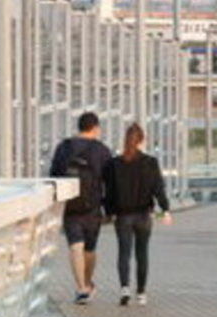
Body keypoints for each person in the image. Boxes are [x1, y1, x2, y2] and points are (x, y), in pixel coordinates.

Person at [102, 122, 173, 306]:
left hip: (122, 216)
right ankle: (141, 293)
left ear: (125, 140)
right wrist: (165, 209)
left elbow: (109, 192)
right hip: (143, 215)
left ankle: (125, 288)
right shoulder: (150, 163)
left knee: (124, 253)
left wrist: (109, 212)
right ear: (142, 140)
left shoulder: (114, 164)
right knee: (142, 254)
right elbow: (158, 188)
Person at [50, 111, 113, 304]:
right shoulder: (102, 150)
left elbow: (53, 175)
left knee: (75, 245)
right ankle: (86, 283)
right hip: (92, 207)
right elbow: (110, 181)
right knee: (90, 249)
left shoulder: (64, 147)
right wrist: (109, 208)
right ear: (95, 128)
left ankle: (81, 288)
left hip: (69, 205)